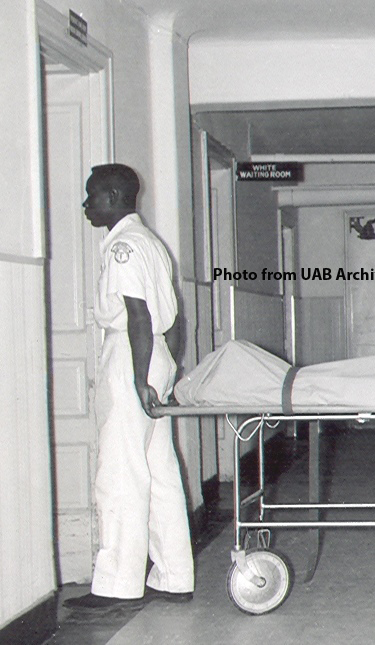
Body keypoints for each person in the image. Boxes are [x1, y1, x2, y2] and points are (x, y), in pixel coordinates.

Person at [65, 164, 194, 610]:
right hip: (156, 355)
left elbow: (138, 315)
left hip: (131, 357)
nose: (86, 205)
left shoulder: (123, 247)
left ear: (114, 195)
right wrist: (166, 372)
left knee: (119, 473)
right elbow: (174, 320)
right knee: (160, 471)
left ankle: (116, 584)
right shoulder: (152, 244)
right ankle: (174, 575)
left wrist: (140, 380)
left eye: (92, 196)